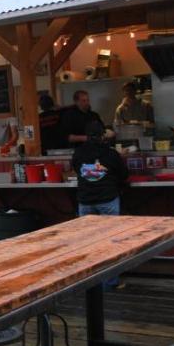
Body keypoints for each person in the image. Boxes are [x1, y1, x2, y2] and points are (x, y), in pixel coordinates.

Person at [72, 120, 129, 289]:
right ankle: (109, 282)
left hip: (85, 202)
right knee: (110, 242)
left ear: (86, 135)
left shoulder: (78, 153)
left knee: (89, 243)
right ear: (103, 135)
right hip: (107, 200)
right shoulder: (111, 154)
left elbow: (76, 169)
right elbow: (124, 175)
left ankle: (90, 282)